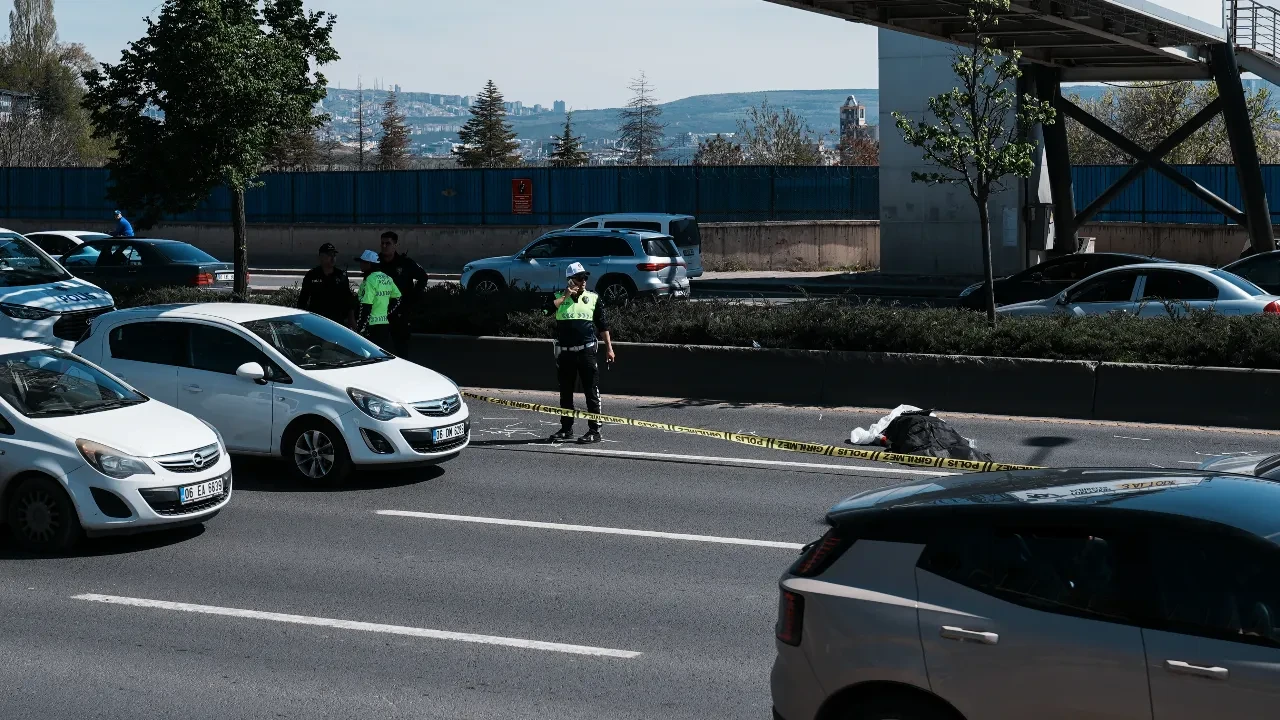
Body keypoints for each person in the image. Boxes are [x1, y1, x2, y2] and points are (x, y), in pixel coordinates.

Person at [546, 262, 616, 444]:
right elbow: (545, 310)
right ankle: (566, 428)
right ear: (570, 280)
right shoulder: (558, 297)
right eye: (579, 278)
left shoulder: (593, 298)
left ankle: (594, 430)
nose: (583, 281)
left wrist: (609, 347)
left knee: (591, 391)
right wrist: (564, 297)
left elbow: (602, 325)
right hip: (565, 353)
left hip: (586, 351)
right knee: (565, 392)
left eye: (585, 277)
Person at [378, 230, 429, 356]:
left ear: (395, 244)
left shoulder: (405, 263)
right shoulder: (376, 263)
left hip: (400, 313)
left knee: (401, 349)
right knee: (378, 349)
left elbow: (423, 277)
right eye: (382, 243)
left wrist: (412, 298)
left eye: (388, 243)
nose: (384, 246)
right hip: (379, 313)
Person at [298, 242, 356, 327]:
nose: (332, 258)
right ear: (321, 257)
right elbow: (303, 299)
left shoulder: (341, 275)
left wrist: (351, 319)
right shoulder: (312, 275)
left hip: (337, 322)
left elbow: (348, 299)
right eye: (329, 255)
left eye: (334, 255)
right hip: (317, 321)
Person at [354, 249, 402, 351]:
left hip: (370, 328)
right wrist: (386, 312)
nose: (360, 265)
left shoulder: (369, 280)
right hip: (384, 326)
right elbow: (397, 298)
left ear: (369, 264)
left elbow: (365, 305)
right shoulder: (387, 278)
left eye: (363, 262)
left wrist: (360, 329)